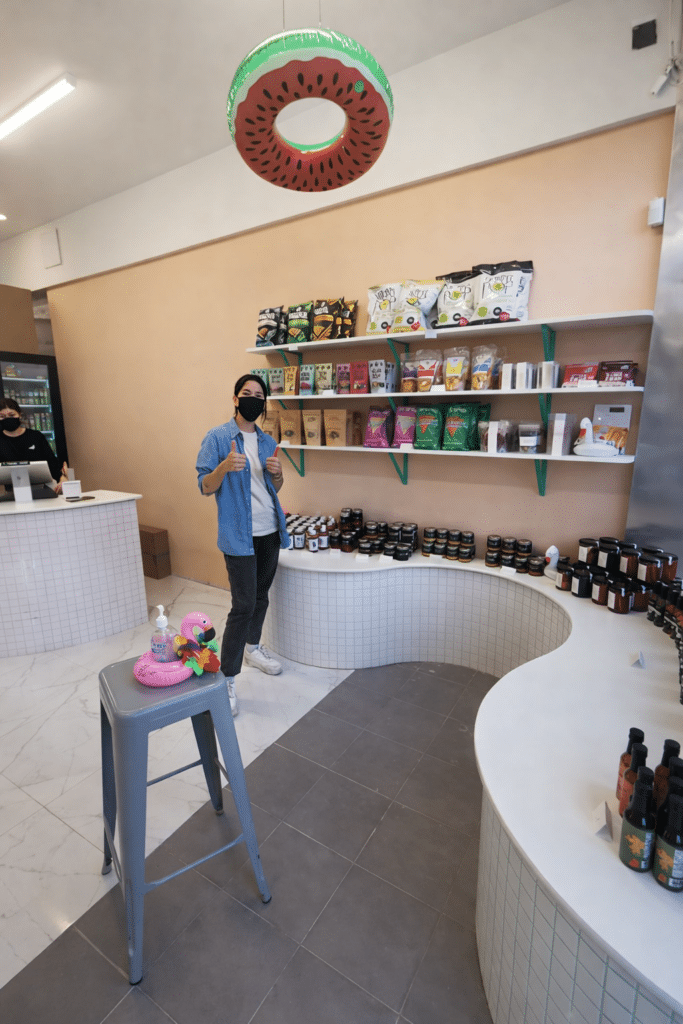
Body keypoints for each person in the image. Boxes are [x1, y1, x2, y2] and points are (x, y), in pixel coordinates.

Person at [196, 374, 288, 716]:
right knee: (243, 605)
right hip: (238, 536)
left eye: (259, 395)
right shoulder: (218, 438)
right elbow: (204, 486)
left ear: (263, 403)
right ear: (235, 399)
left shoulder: (267, 441)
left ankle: (252, 648)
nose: (253, 399)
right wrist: (223, 467)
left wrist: (278, 474)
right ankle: (227, 677)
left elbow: (274, 488)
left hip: (270, 530)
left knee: (261, 596)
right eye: (246, 393)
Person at [0, 398, 68, 494]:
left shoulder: (36, 436)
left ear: (19, 415)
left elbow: (51, 462)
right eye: (2, 416)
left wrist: (62, 479)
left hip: (42, 490)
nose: (8, 419)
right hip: (11, 493)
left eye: (12, 415)